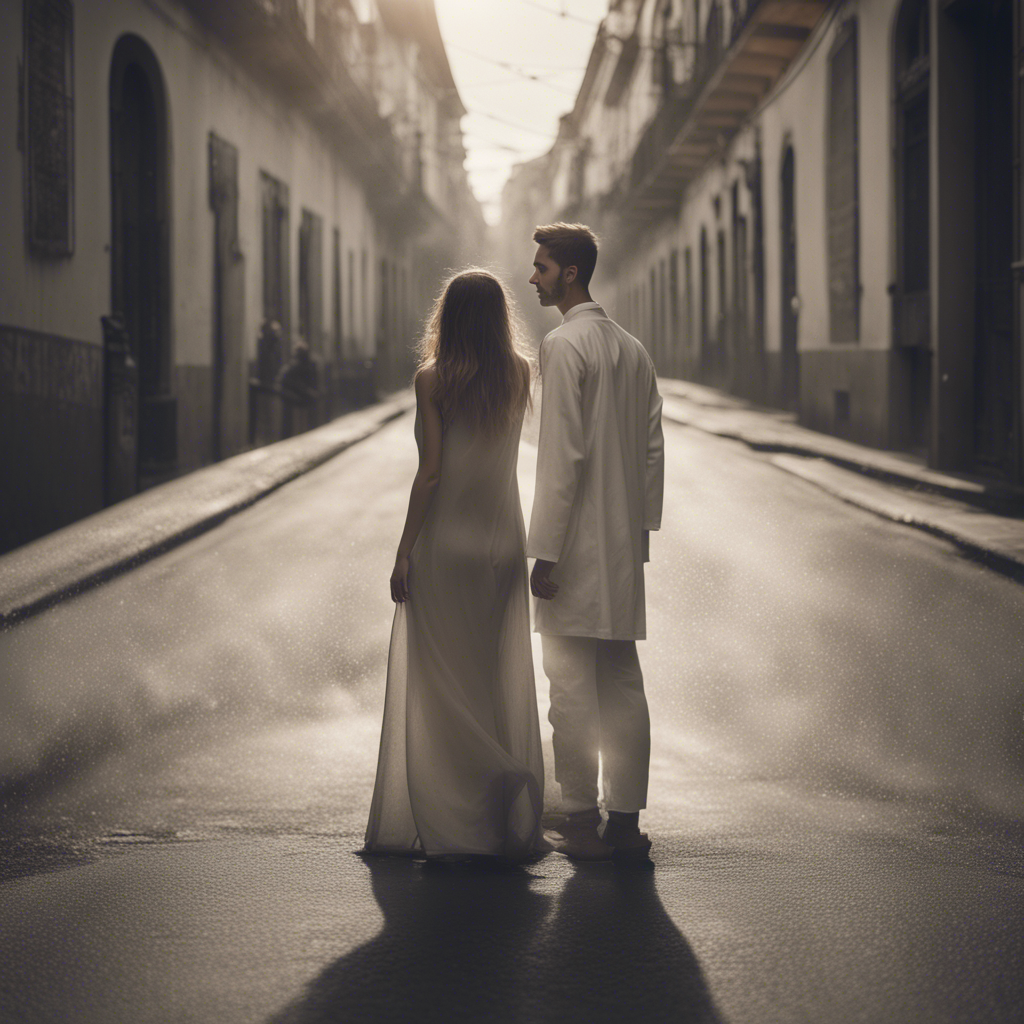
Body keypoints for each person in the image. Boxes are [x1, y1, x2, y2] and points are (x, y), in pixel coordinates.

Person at [364, 269, 548, 863]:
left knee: (443, 685)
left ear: (447, 316)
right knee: (490, 677)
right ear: (501, 318)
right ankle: (499, 807)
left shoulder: (433, 379)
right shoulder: (522, 372)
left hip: (446, 546)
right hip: (501, 546)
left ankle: (480, 791)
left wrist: (403, 549)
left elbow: (432, 473)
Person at [527, 222, 664, 862]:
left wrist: (544, 551)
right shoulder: (631, 348)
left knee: (569, 682)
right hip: (619, 544)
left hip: (575, 544)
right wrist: (639, 535)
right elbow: (652, 451)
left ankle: (580, 812)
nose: (533, 276)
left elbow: (561, 458)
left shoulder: (563, 344)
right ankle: (628, 815)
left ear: (571, 274)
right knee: (623, 676)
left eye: (542, 267)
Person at [276, 338, 320, 437]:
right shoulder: (293, 367)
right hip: (292, 398)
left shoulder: (305, 366)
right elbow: (288, 382)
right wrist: (306, 391)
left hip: (300, 398)